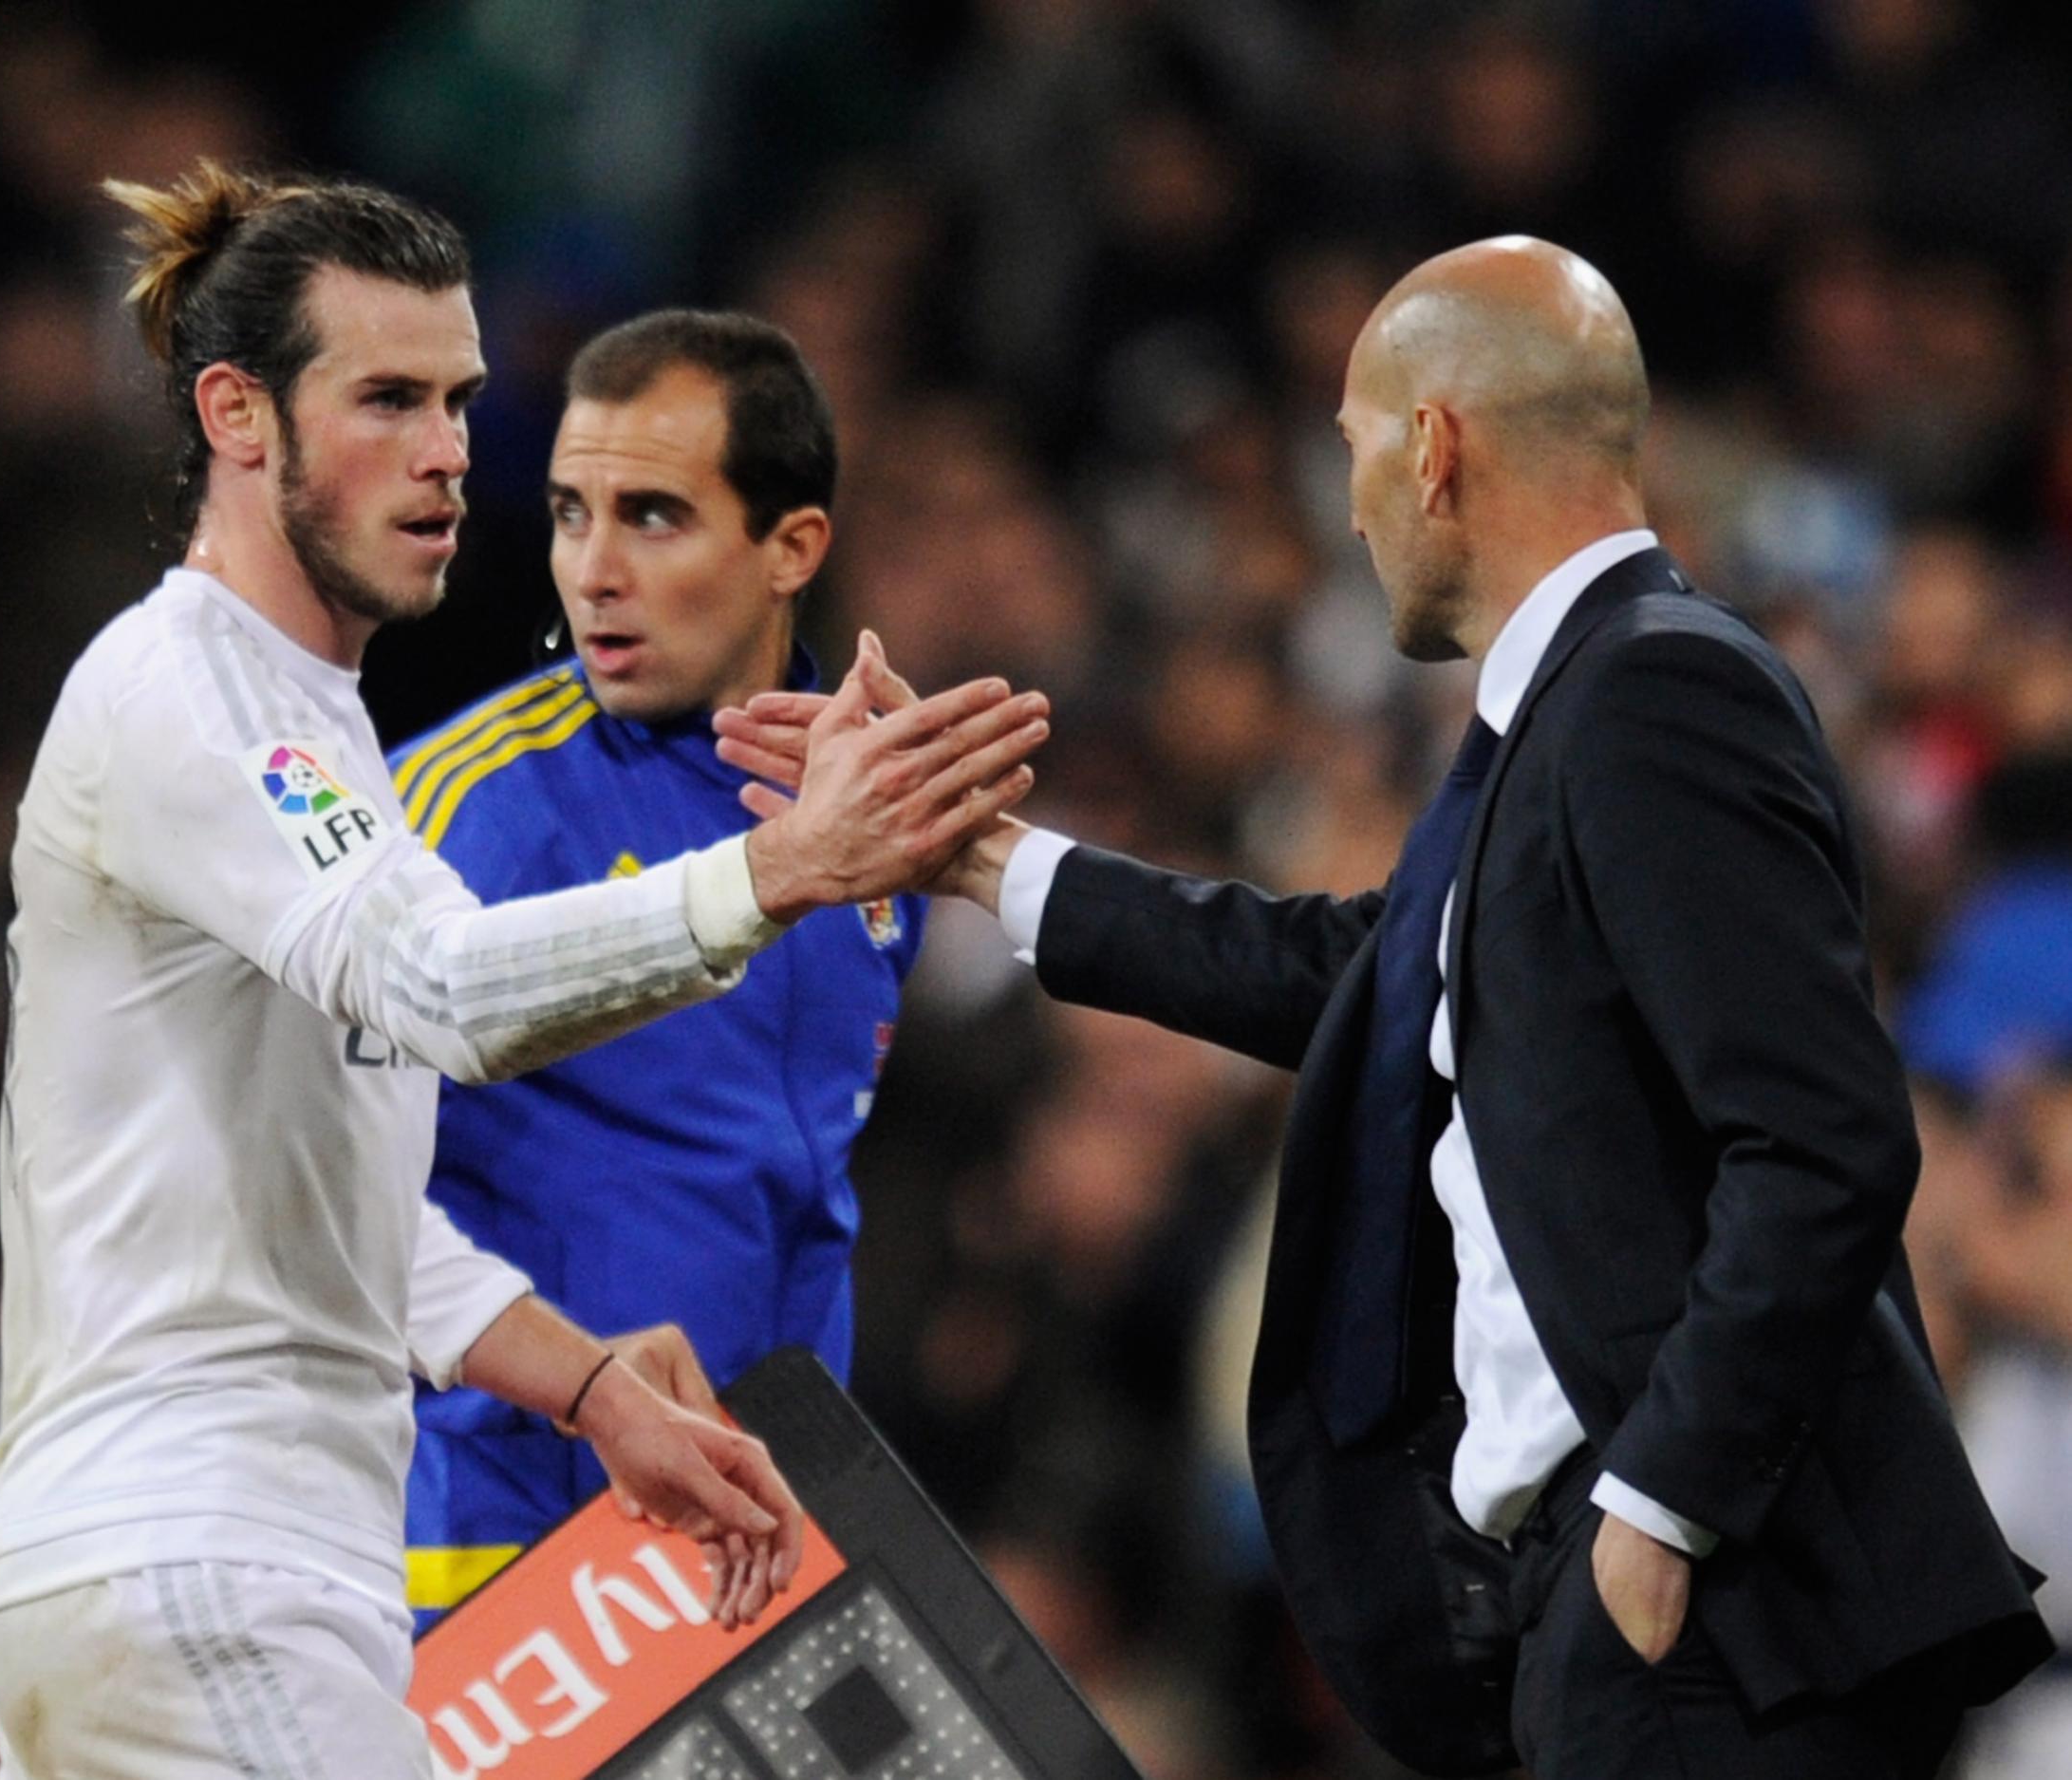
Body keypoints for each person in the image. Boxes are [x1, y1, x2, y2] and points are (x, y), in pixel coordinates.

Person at [718, 236, 2051, 1779]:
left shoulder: (1657, 690)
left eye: (1351, 450)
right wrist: (985, 856)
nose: (1345, 505)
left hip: (1707, 1617)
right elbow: (1345, 971)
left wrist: (1658, 1508)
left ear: (1433, 447)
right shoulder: (1561, 717)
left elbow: (1823, 1143)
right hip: (1613, 1609)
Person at [0, 162, 1046, 1780]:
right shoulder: (189, 693)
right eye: (387, 398)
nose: (450, 454)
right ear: (237, 416)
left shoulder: (307, 726)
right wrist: (777, 871)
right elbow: (448, 993)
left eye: (462, 401)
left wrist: (594, 1384)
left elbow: (338, 1204)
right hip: (206, 1557)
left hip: (185, 1569)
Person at [391, 309, 964, 1629]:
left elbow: (795, 1188)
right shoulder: (455, 814)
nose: (592, 571)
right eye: (568, 514)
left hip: (763, 1555)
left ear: (791, 548)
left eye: (651, 516)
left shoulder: (874, 828)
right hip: (491, 1561)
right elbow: (310, 1190)